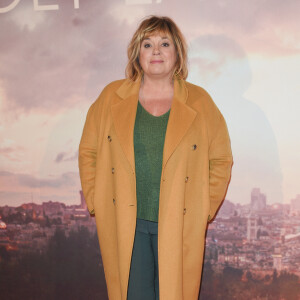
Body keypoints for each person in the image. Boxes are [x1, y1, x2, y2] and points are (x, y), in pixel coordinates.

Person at [78, 15, 233, 300]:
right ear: (137, 54)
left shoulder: (201, 102)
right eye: (147, 44)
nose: (157, 51)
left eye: (165, 43)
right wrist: (96, 199)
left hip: (180, 223)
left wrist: (203, 208)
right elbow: (88, 151)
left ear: (178, 54)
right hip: (127, 224)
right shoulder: (110, 97)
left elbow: (221, 160)